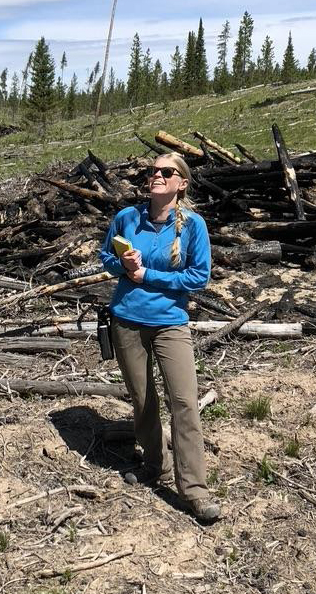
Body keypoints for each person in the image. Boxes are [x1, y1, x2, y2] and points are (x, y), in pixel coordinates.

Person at [100, 152, 220, 522]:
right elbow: (105, 257)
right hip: (127, 320)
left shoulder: (192, 226)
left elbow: (198, 277)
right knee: (143, 398)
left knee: (184, 401)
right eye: (153, 171)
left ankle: (195, 490)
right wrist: (123, 264)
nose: (156, 176)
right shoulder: (127, 218)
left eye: (166, 172)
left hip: (170, 322)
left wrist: (147, 276)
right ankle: (155, 463)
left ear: (181, 183)